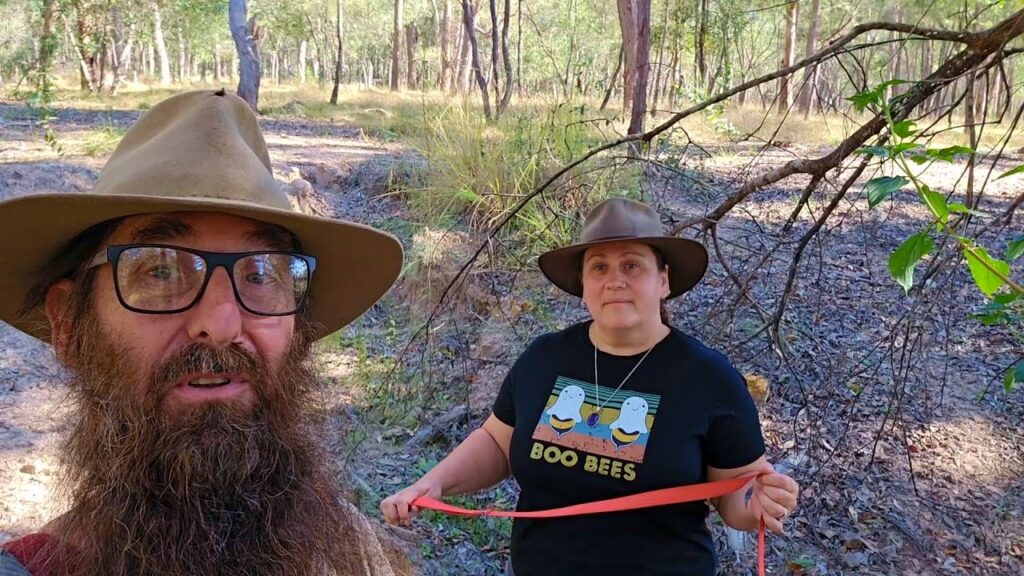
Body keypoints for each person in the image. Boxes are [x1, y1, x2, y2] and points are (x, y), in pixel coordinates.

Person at [0, 89, 408, 576]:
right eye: (161, 271)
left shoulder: (346, 547)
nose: (220, 325)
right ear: (68, 323)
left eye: (261, 274)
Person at [381, 198, 800, 575]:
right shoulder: (544, 359)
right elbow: (496, 443)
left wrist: (759, 504)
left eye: (632, 265)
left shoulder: (709, 378)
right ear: (583, 284)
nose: (614, 280)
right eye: (599, 266)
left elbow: (737, 493)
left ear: (664, 280)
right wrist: (432, 483)